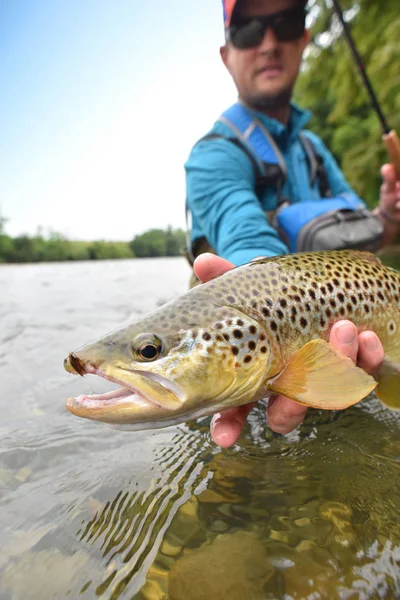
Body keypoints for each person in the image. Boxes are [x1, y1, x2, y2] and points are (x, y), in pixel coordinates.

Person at [184, 0, 400, 448]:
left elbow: (365, 245)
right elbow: (245, 239)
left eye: (284, 25)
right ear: (227, 55)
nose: (268, 43)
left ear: (303, 40)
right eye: (247, 30)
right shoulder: (213, 156)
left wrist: (386, 218)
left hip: (348, 349)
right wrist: (258, 326)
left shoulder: (313, 148)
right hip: (252, 350)